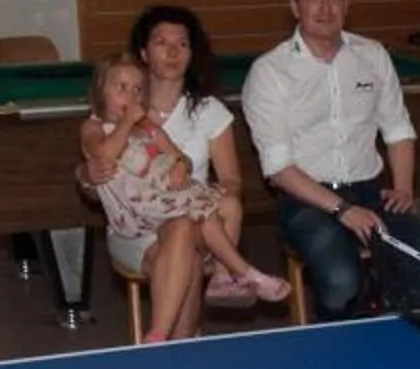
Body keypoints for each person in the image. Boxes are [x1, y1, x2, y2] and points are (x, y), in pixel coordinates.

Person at [239, 0, 420, 318]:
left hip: (372, 192)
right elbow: (279, 170)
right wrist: (343, 210)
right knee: (341, 282)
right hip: (306, 200)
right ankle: (359, 311)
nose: (325, 8)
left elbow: (398, 130)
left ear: (347, 4)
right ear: (295, 6)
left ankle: (376, 308)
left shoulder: (373, 55)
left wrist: (403, 187)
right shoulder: (269, 72)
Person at [85, 47, 284, 342]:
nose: (131, 96)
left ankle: (212, 286)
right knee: (196, 214)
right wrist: (126, 123)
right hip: (135, 213)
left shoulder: (149, 127)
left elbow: (180, 157)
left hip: (162, 204)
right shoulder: (94, 127)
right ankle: (242, 272)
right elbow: (103, 155)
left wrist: (179, 164)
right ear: (101, 92)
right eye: (121, 88)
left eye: (137, 89)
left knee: (221, 207)